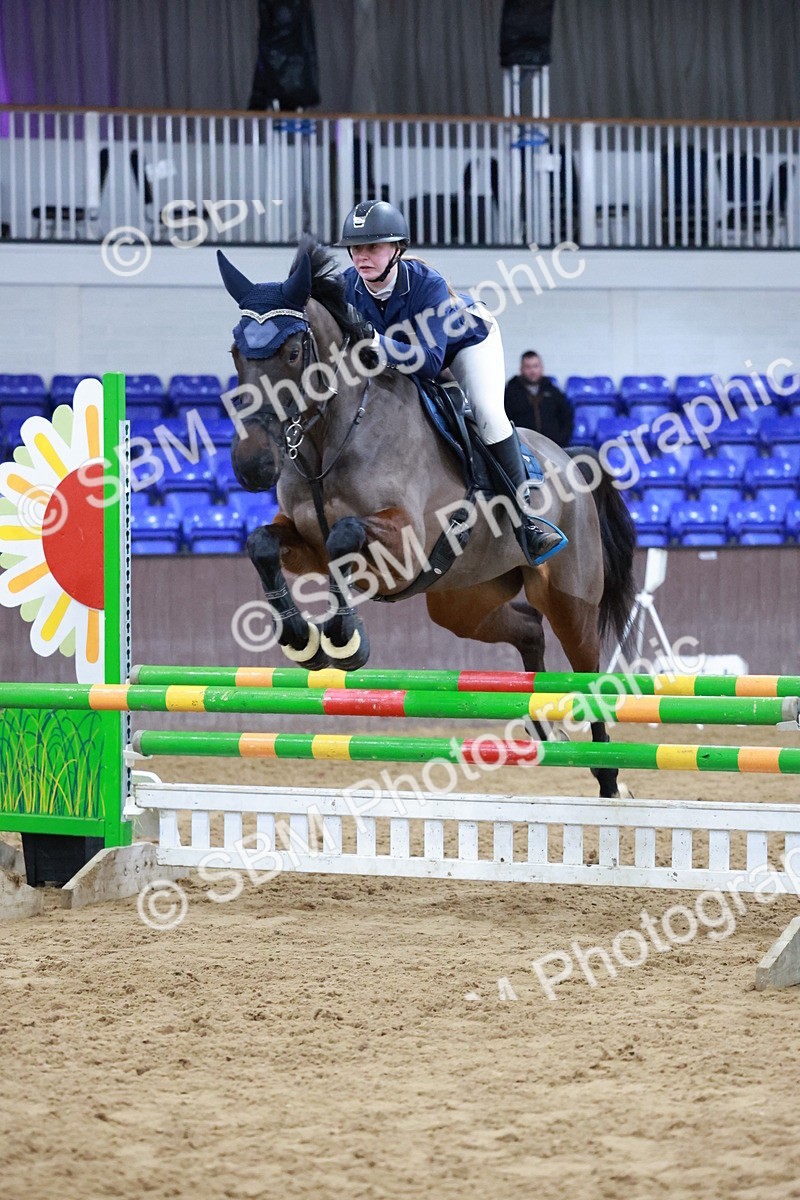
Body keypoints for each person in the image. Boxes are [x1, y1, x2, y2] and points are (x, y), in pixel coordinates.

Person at [339, 200, 564, 565]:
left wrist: (377, 343)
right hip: (405, 359)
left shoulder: (428, 285)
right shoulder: (347, 287)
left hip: (465, 345)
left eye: (373, 247)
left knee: (488, 413)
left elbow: (429, 362)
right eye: (356, 248)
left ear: (397, 249)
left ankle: (525, 518)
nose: (362, 256)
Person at [504, 351, 574, 448]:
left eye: (535, 366)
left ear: (541, 368)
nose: (532, 371)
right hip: (522, 448)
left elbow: (566, 418)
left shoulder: (553, 392)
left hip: (551, 448)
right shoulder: (510, 393)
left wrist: (560, 440)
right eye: (528, 367)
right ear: (521, 369)